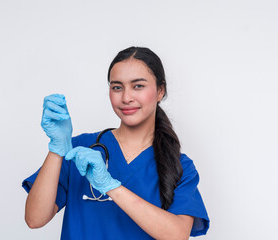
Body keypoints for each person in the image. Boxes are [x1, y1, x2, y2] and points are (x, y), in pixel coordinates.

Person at [22, 46, 209, 239]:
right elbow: (35, 219)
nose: (126, 98)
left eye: (138, 86)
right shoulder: (80, 149)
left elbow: (177, 235)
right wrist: (56, 149)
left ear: (160, 91)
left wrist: (110, 186)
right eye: (117, 87)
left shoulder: (180, 166)